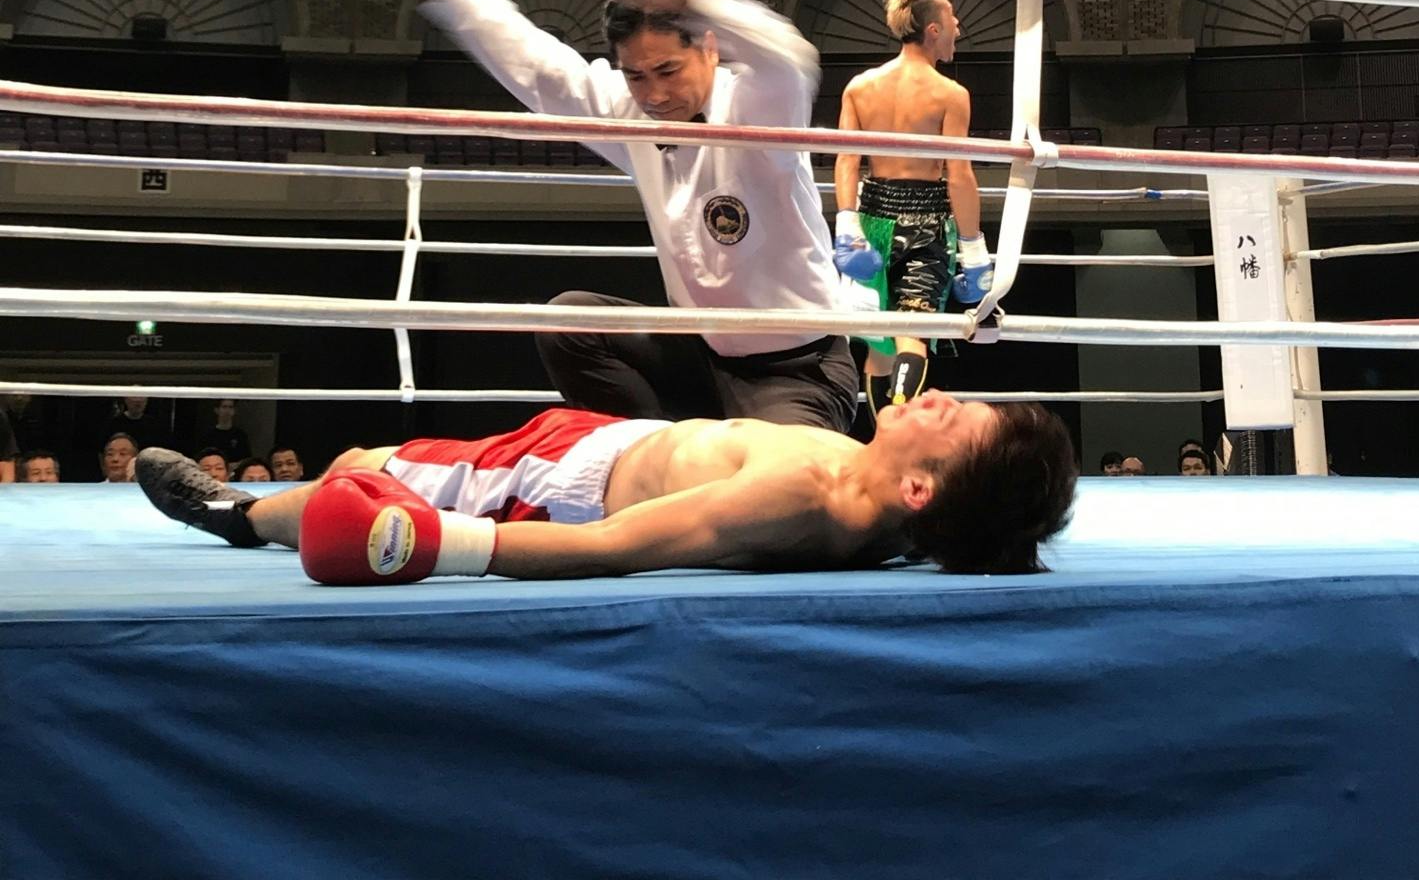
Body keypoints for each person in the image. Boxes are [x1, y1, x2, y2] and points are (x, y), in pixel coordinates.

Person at [379, 0, 856, 431]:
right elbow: (538, 66)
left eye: (668, 70)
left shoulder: (755, 110)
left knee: (775, 480)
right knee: (571, 322)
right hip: (702, 362)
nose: (654, 94)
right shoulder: (628, 111)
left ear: (708, 49)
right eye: (636, 75)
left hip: (798, 370)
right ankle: (648, 452)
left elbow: (789, 61)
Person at [135, 392, 1077, 582]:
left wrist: (442, 546)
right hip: (606, 440)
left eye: (955, 421)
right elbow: (974, 530)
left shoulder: (806, 499)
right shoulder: (896, 515)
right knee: (374, 458)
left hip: (561, 484)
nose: (939, 398)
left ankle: (239, 516)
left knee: (356, 474)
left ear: (920, 490)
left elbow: (611, 548)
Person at [832, 0, 989, 413]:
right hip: (926, 223)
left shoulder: (860, 86)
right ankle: (902, 428)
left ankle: (884, 436)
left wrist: (847, 225)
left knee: (879, 345)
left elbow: (847, 161)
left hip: (872, 219)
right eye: (952, 17)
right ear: (933, 30)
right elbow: (959, 175)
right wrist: (975, 251)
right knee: (912, 333)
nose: (959, 26)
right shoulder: (950, 94)